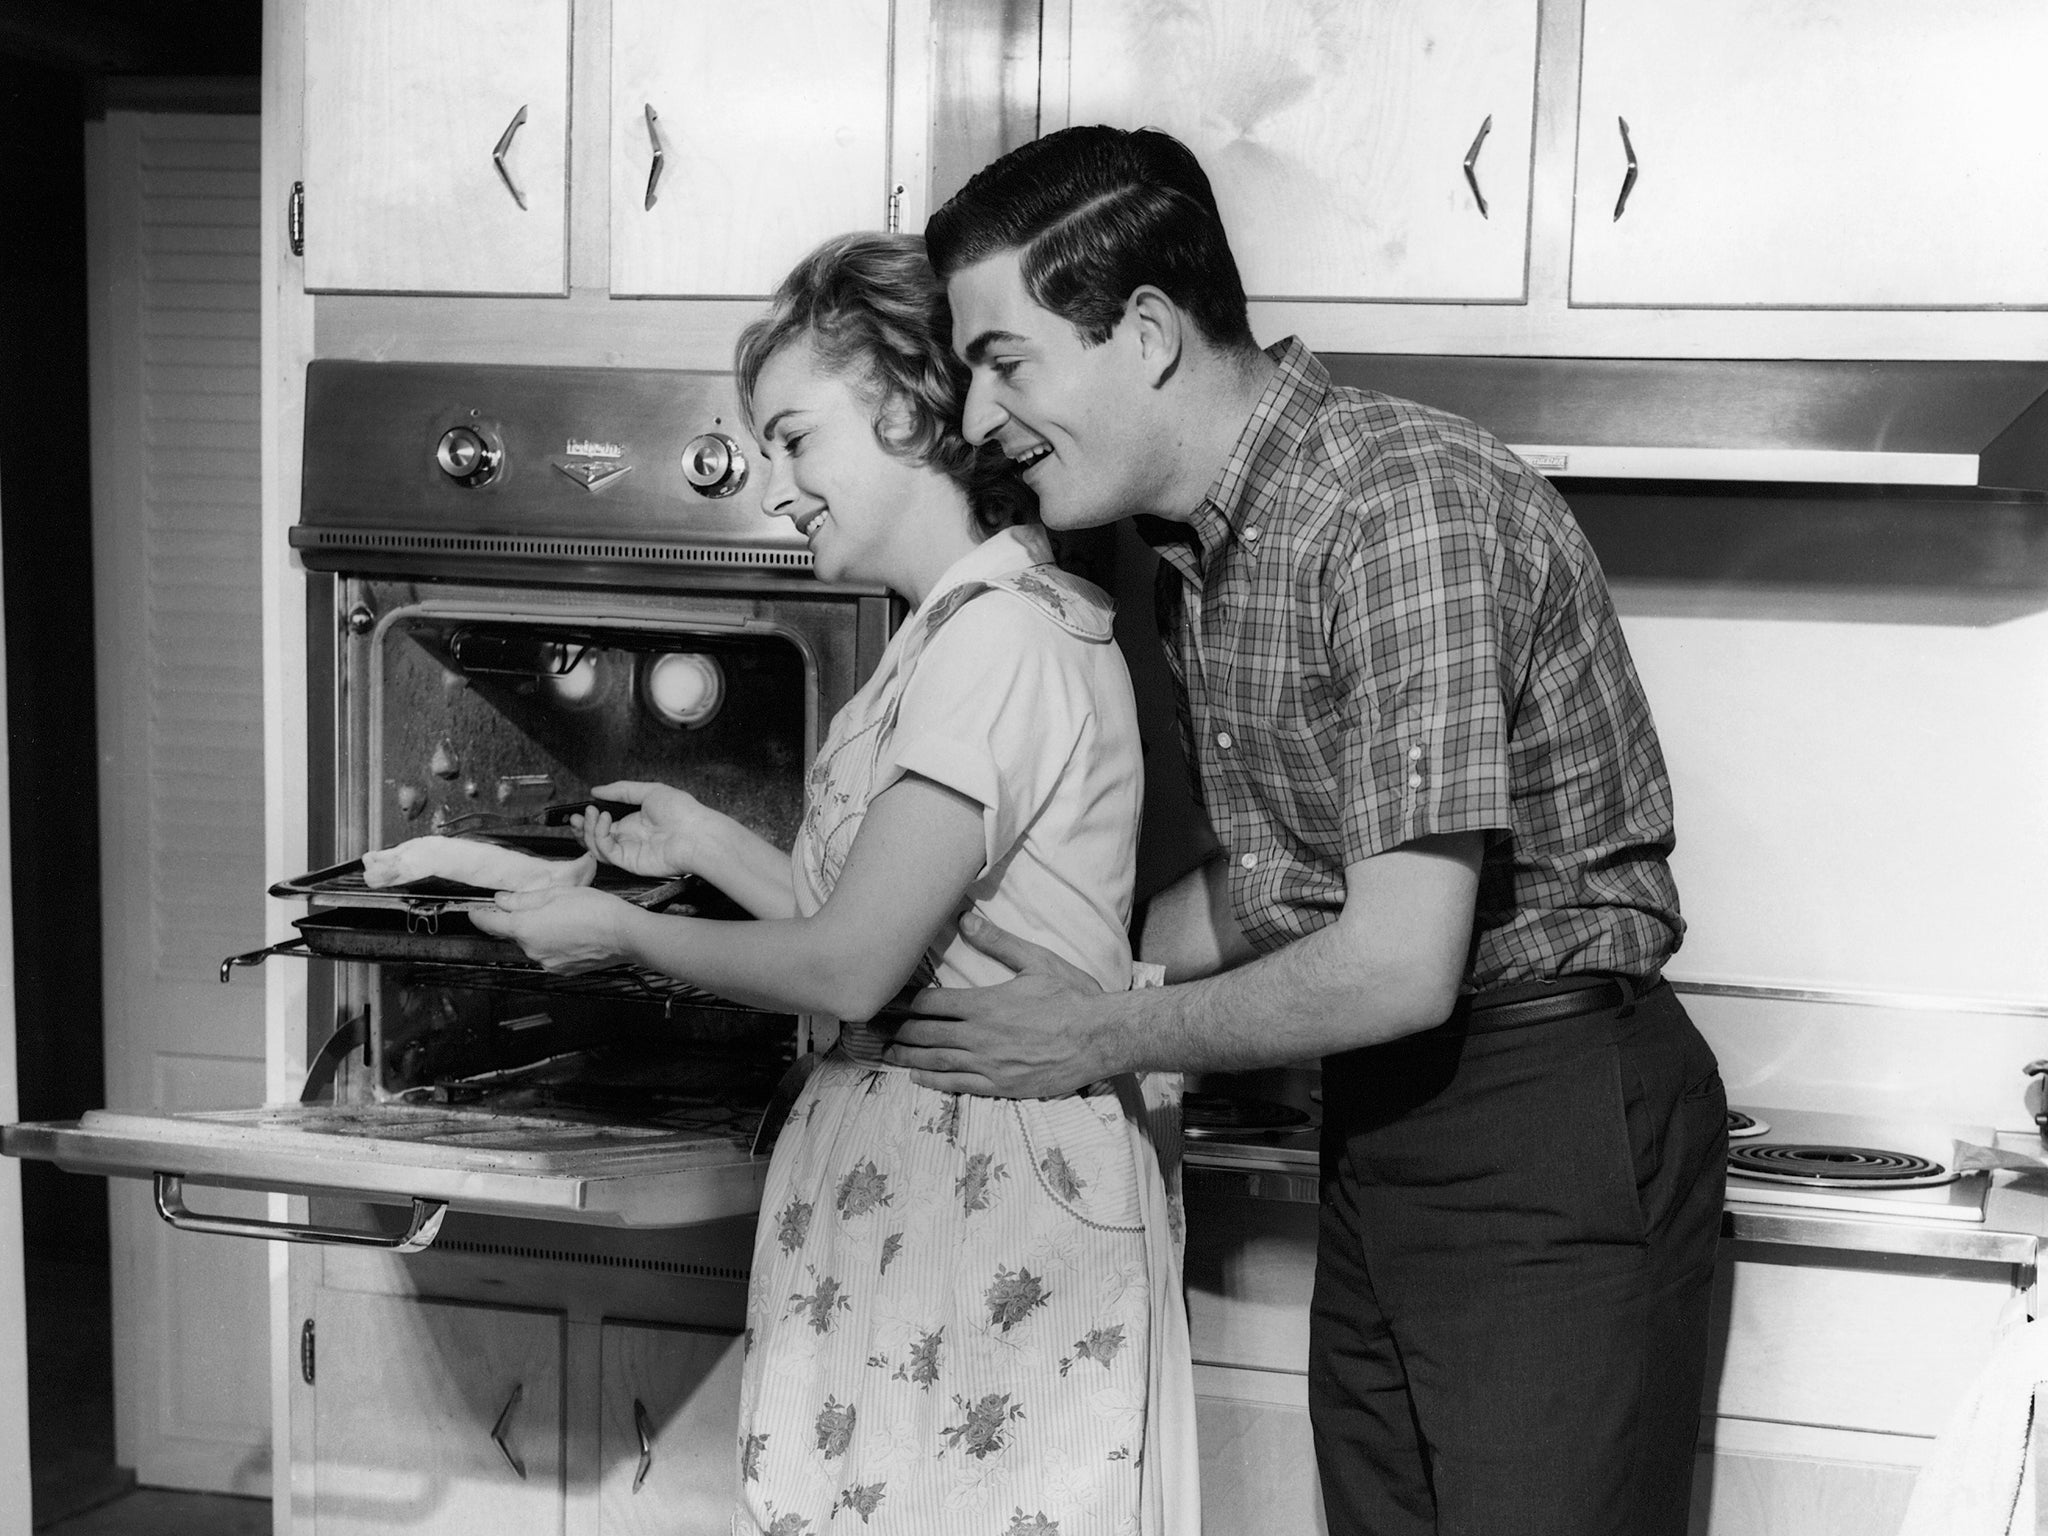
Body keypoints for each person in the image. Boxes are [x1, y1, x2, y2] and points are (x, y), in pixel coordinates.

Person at [885, 125, 1728, 1536]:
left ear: (1145, 332)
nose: (978, 421)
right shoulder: (1216, 548)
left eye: (1005, 360)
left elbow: (1398, 961)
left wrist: (1101, 1032)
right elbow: (1293, 886)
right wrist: (1072, 975)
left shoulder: (1393, 506)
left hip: (1546, 1111)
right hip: (1396, 1120)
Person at [471, 230, 1198, 1535]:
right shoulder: (953, 635)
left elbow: (850, 964)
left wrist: (618, 931)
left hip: (984, 1179)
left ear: (913, 407)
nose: (781, 487)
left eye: (797, 439)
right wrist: (701, 840)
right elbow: (885, 925)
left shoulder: (998, 638)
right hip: (927, 1168)